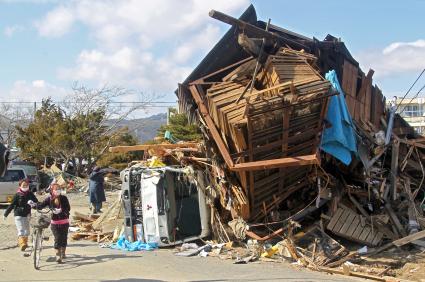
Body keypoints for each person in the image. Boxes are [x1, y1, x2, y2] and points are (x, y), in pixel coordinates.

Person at [35, 184, 70, 263]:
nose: (58, 190)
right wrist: (34, 205)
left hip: (64, 221)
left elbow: (68, 208)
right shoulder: (49, 199)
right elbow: (41, 205)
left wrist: (61, 210)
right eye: (56, 189)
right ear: (52, 190)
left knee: (64, 238)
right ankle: (58, 255)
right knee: (57, 238)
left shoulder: (64, 198)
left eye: (59, 189)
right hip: (54, 223)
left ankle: (63, 252)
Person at [3, 178, 38, 251]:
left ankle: (25, 243)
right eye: (23, 185)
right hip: (18, 214)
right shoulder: (17, 195)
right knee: (21, 230)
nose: (25, 187)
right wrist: (6, 214)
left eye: (26, 185)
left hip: (27, 214)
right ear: (20, 186)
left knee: (27, 231)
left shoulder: (30, 193)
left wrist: (34, 204)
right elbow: (11, 205)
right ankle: (22, 244)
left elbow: (36, 202)